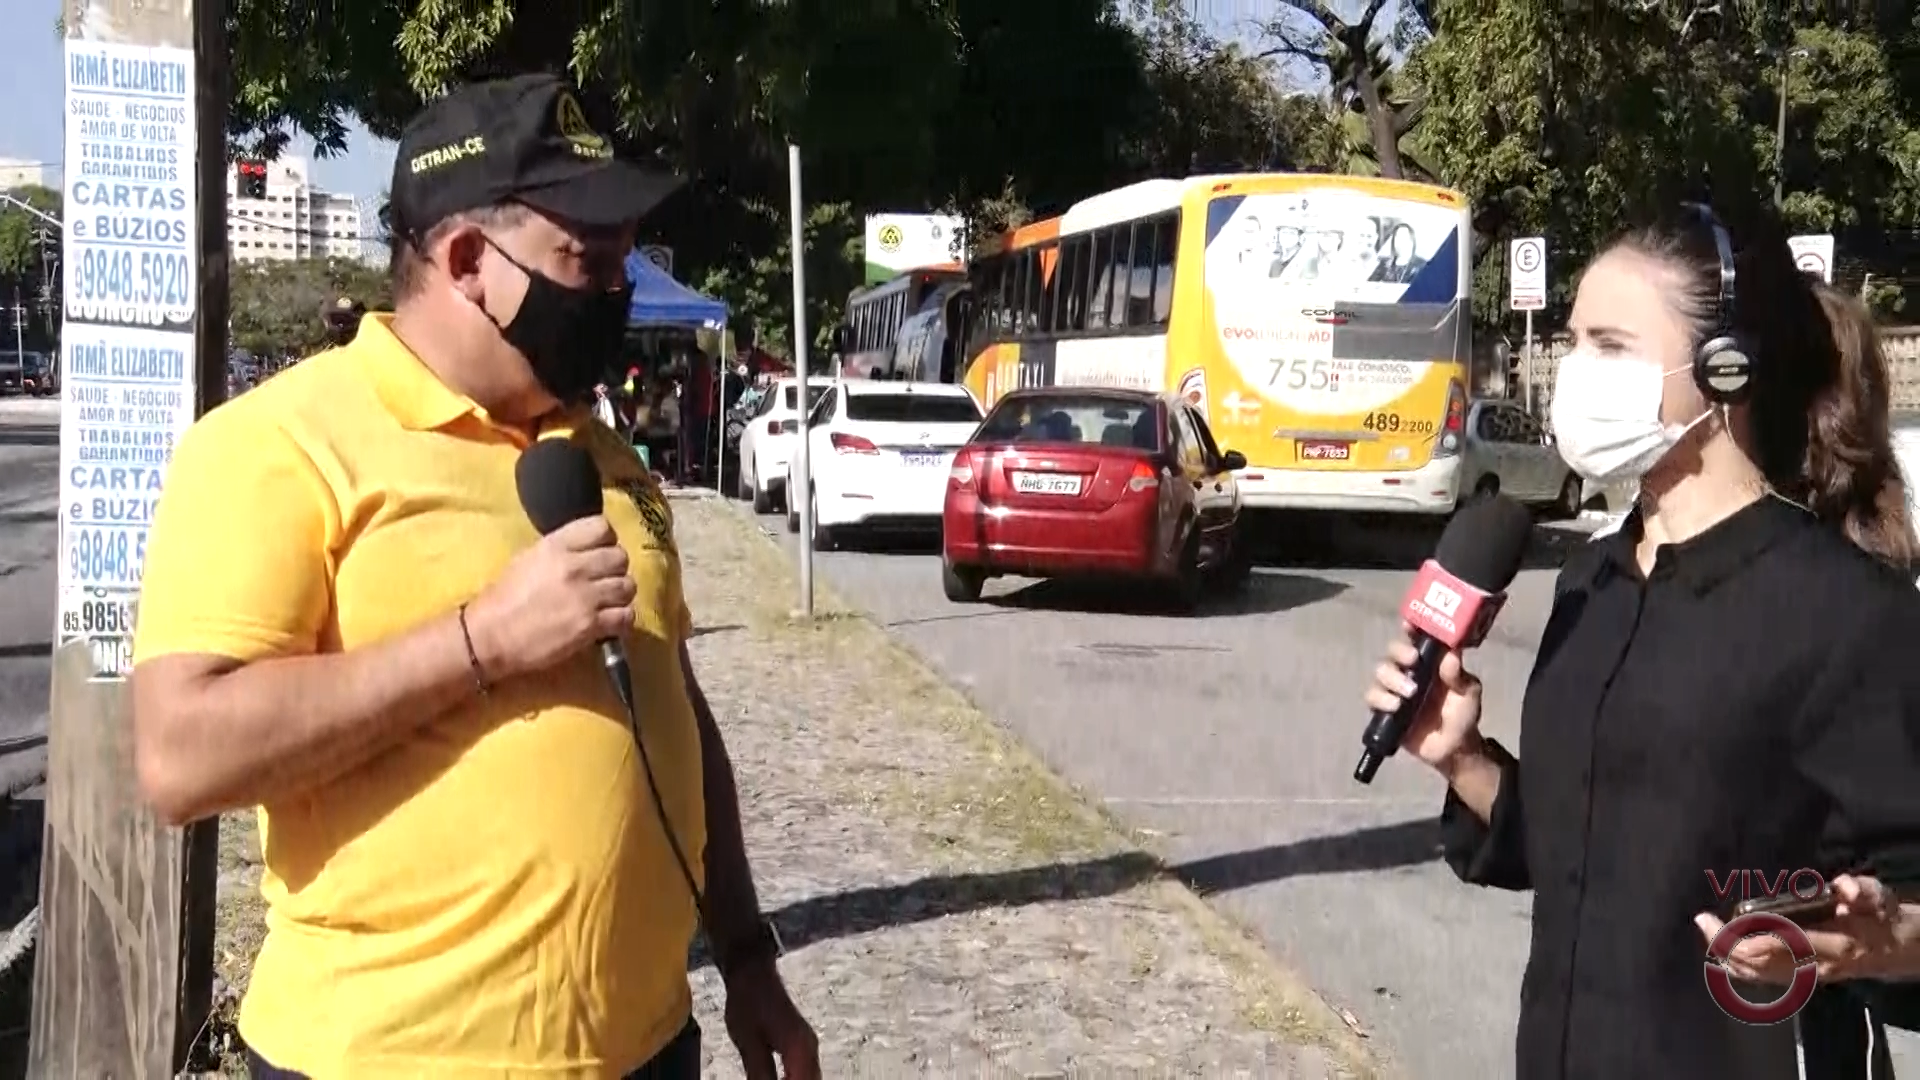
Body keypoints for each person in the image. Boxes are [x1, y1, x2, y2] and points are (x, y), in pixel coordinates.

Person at [129, 74, 817, 1079]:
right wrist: (481, 640)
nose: (617, 291)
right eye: (587, 259)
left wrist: (749, 957)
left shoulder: (600, 450)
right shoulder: (275, 445)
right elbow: (180, 759)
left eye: (625, 261)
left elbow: (675, 706)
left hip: (647, 1049)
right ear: (466, 262)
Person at [1364, 204, 1920, 1079]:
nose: (1577, 371)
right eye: (1574, 339)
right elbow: (1584, 855)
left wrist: (1887, 942)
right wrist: (1462, 759)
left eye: (1610, 344)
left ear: (1724, 370)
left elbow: (1901, 903)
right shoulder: (1591, 582)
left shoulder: (1849, 614)